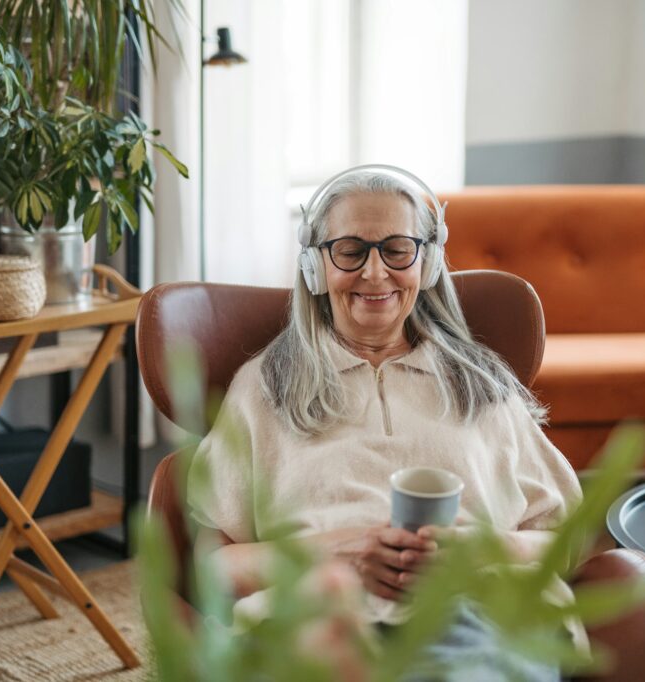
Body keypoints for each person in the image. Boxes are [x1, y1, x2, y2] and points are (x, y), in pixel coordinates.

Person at [187, 165, 582, 680]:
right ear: (315, 267)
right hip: (322, 619)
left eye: (397, 249)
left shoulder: (483, 385)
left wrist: (480, 549)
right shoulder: (264, 388)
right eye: (351, 250)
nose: (376, 274)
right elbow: (212, 569)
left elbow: (565, 541)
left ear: (429, 261)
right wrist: (340, 554)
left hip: (479, 613)